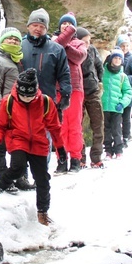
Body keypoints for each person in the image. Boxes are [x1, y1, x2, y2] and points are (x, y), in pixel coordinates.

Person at [0, 69, 65, 226]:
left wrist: (60, 148)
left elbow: (55, 128)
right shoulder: (9, 102)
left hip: (39, 143)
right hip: (18, 139)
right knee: (17, 167)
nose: (27, 99)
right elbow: (1, 126)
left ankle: (43, 211)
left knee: (42, 178)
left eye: (30, 96)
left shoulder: (46, 102)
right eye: (23, 95)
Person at [21, 8, 71, 171]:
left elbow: (64, 74)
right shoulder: (19, 46)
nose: (38, 28)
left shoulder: (56, 49)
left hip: (46, 102)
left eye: (42, 26)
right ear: (28, 26)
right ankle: (22, 175)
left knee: (43, 139)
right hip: (21, 101)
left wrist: (65, 94)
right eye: (35, 25)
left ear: (46, 29)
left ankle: (40, 174)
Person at [0, 26, 32, 191]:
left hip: (18, 111)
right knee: (1, 147)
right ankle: (4, 178)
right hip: (4, 110)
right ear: (2, 40)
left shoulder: (17, 59)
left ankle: (18, 178)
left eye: (16, 39)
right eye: (9, 38)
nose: (13, 41)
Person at [53, 13, 87, 173]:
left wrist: (62, 45)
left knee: (74, 125)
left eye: (69, 23)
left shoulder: (79, 43)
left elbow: (79, 58)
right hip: (57, 88)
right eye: (63, 23)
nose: (65, 25)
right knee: (59, 126)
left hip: (74, 88)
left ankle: (75, 159)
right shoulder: (52, 42)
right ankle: (61, 160)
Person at [77, 27, 105, 168]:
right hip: (78, 92)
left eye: (89, 41)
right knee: (78, 126)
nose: (87, 44)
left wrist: (99, 80)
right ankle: (80, 157)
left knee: (98, 124)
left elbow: (100, 66)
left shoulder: (92, 50)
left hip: (93, 90)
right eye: (84, 41)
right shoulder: (72, 51)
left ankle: (96, 157)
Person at [102, 49, 132, 159]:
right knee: (106, 129)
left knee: (116, 129)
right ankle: (108, 150)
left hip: (116, 107)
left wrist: (122, 103)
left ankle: (118, 149)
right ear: (111, 59)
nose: (117, 60)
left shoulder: (122, 76)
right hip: (104, 106)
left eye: (120, 59)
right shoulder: (103, 72)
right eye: (115, 58)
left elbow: (128, 92)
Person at [116, 35, 132, 147]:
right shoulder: (114, 57)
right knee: (116, 117)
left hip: (127, 92)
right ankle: (117, 137)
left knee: (126, 117)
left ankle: (126, 137)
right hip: (115, 92)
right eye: (122, 45)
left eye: (127, 45)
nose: (125, 48)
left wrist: (126, 78)